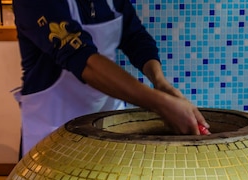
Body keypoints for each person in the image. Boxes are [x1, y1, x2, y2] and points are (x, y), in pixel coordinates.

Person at [12, 0, 209, 154]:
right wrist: (161, 103)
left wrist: (160, 82)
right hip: (53, 126)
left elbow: (135, 37)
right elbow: (85, 61)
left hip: (105, 121)